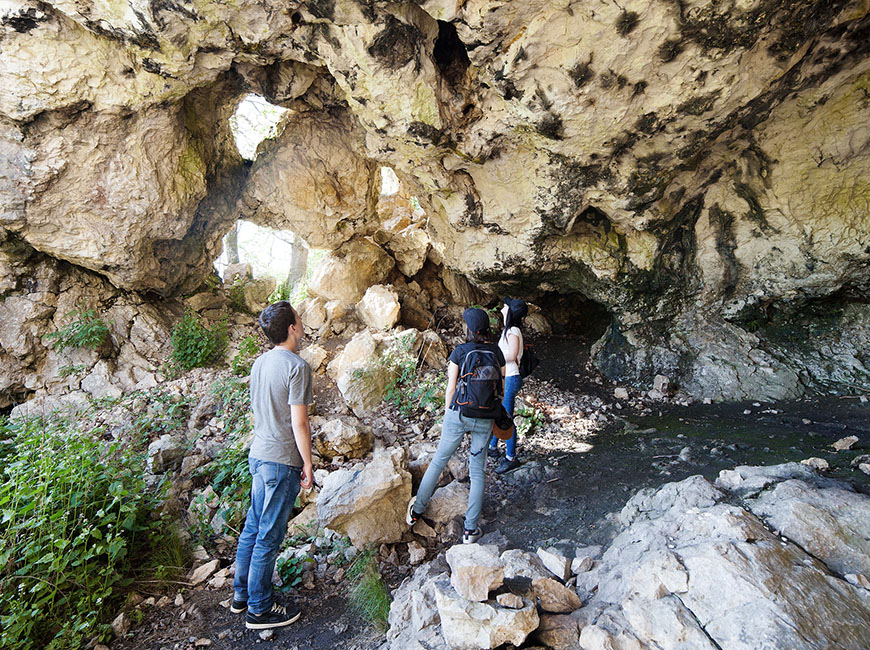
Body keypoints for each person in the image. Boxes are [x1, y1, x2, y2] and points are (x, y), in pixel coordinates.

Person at [232, 301, 314, 630]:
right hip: (281, 461)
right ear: (292, 328)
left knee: (253, 529)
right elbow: (300, 423)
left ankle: (242, 596)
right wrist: (307, 463)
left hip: (258, 455)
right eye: (298, 317)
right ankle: (260, 608)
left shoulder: (259, 363)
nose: (302, 320)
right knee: (268, 536)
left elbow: (257, 411)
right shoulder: (297, 367)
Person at [406, 307, 505, 543]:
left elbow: (451, 388)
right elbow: (500, 388)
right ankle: (470, 531)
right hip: (485, 416)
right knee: (477, 470)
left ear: (469, 329)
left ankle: (416, 512)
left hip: (459, 413)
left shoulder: (460, 352)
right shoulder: (497, 352)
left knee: (439, 460)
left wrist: (448, 415)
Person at [488, 297, 527, 474]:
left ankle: (511, 457)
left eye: (506, 306)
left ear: (511, 312)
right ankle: (493, 446)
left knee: (507, 417)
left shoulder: (513, 331)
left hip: (511, 378)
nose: (503, 307)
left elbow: (512, 355)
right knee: (499, 412)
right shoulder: (509, 330)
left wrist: (495, 357)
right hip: (506, 377)